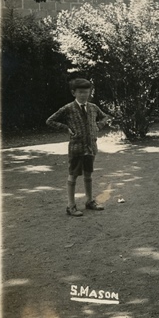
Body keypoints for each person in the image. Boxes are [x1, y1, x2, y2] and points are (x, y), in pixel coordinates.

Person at [47, 78, 112, 217]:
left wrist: (98, 126)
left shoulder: (93, 108)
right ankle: (70, 206)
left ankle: (89, 201)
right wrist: (66, 128)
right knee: (73, 175)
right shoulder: (68, 108)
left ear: (90, 92)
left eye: (86, 92)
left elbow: (105, 117)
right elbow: (50, 120)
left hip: (91, 148)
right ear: (73, 93)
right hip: (76, 148)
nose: (83, 95)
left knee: (88, 174)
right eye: (80, 92)